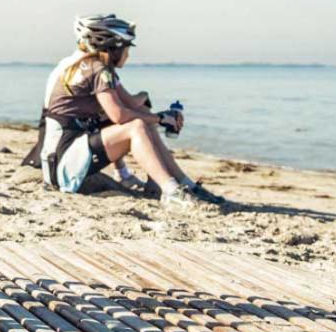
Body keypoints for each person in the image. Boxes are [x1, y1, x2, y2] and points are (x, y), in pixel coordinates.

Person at [23, 14, 228, 210]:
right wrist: (160, 118)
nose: (128, 55)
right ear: (113, 47)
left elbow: (130, 102)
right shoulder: (98, 69)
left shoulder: (87, 64)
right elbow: (119, 115)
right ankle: (171, 191)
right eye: (127, 48)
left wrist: (161, 114)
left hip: (63, 153)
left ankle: (184, 185)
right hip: (63, 162)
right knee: (135, 127)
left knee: (141, 119)